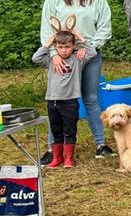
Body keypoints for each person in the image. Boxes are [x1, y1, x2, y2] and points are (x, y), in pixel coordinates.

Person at [39, 0, 113, 162]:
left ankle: (101, 144)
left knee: (90, 98)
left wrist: (90, 47)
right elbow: (46, 29)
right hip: (62, 55)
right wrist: (53, 55)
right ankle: (54, 149)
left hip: (87, 54)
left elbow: (105, 28)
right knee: (58, 101)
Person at [32, 24, 97, 169]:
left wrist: (80, 38)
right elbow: (35, 58)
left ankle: (68, 159)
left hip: (70, 101)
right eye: (60, 47)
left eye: (67, 47)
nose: (64, 50)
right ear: (56, 46)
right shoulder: (50, 59)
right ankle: (57, 158)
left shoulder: (78, 58)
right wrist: (48, 44)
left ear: (73, 46)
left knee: (69, 130)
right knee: (56, 129)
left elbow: (93, 52)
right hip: (52, 100)